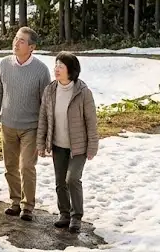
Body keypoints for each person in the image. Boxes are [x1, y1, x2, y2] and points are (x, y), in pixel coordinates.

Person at [0, 26, 51, 221]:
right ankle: (15, 202)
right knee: (10, 166)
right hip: (8, 124)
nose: (16, 43)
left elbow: (46, 102)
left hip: (31, 127)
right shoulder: (4, 64)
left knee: (26, 166)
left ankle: (28, 206)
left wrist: (45, 130)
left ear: (31, 47)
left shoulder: (41, 70)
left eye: (21, 41)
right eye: (16, 38)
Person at [37, 52, 99, 234]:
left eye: (61, 66)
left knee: (72, 178)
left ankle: (76, 216)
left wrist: (92, 146)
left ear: (71, 71)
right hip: (58, 145)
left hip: (78, 146)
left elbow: (91, 121)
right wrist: (41, 143)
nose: (56, 69)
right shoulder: (50, 90)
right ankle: (64, 214)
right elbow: (43, 118)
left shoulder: (83, 92)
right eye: (56, 65)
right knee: (59, 182)